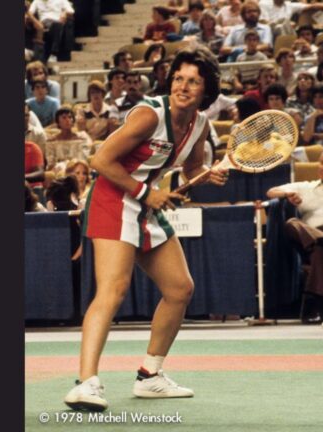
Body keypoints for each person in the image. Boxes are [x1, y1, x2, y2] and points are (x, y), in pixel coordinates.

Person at [64, 46, 229, 412]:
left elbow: (190, 172)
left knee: (180, 288)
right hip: (113, 199)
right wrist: (145, 192)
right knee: (114, 288)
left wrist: (209, 175)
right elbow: (100, 159)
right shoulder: (148, 116)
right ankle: (85, 383)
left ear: (206, 90)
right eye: (179, 78)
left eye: (193, 82)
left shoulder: (200, 125)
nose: (183, 87)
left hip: (145, 204)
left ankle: (150, 375)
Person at [266, 148, 323, 324]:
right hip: (310, 235)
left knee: (320, 251)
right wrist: (287, 195)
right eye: (321, 163)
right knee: (292, 223)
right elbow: (271, 191)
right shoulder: (306, 187)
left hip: (322, 242)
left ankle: (316, 308)